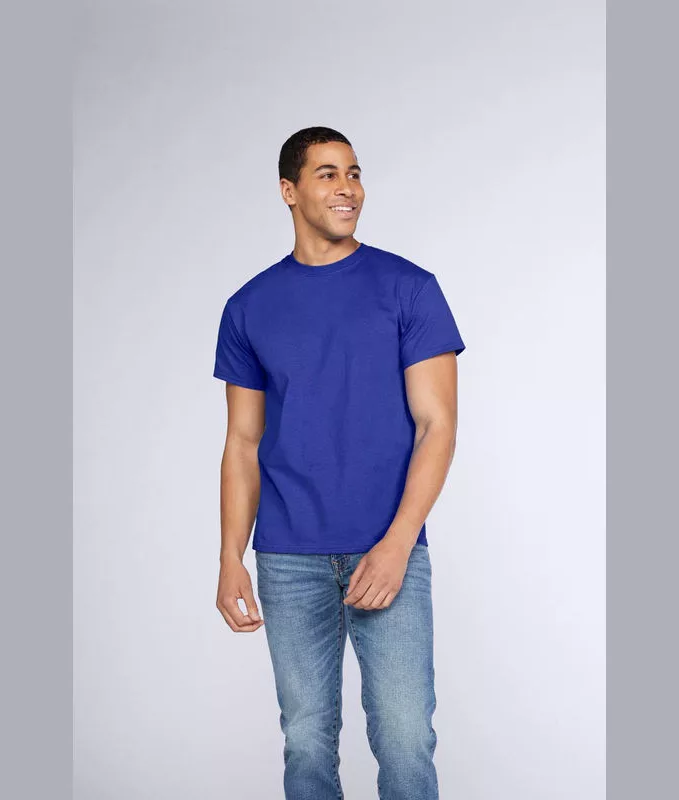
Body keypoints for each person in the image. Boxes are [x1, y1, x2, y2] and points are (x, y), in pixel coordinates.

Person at [213, 126, 465, 800]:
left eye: (353, 172)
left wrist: (398, 542)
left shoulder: (409, 288)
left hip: (388, 549)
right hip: (288, 558)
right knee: (305, 741)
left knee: (406, 740)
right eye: (327, 174)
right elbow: (242, 442)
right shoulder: (249, 307)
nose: (348, 187)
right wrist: (230, 557)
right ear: (288, 190)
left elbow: (437, 425)